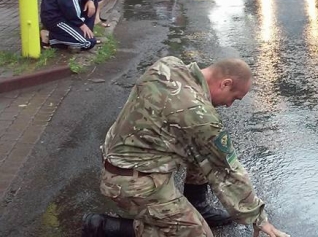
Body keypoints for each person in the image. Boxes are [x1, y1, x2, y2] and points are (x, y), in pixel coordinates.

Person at [82, 56, 289, 237]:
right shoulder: (199, 116)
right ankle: (105, 227)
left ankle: (197, 206)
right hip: (131, 182)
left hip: (119, 158)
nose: (229, 105)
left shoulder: (169, 65)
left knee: (200, 150)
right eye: (234, 98)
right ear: (225, 84)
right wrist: (258, 218)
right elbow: (227, 171)